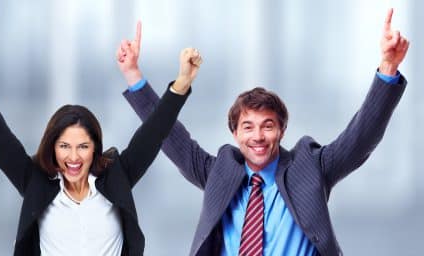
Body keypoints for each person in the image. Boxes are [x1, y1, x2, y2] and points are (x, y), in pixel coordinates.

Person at [119, 9, 410, 256]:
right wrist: (134, 75)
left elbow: (360, 138)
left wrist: (388, 66)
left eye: (267, 126)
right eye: (248, 127)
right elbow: (170, 137)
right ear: (234, 134)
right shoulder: (219, 172)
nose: (257, 136)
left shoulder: (310, 167)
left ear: (282, 130)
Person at [0, 37, 197, 255]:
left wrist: (182, 82)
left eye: (83, 147)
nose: (74, 157)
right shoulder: (36, 183)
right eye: (65, 146)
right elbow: (0, 140)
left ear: (95, 148)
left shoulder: (116, 177)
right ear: (52, 147)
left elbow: (153, 134)